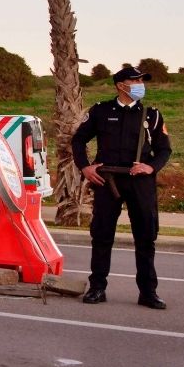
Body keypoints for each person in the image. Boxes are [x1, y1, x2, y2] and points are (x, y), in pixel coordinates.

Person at [72, 66, 172, 309]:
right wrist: (85, 167)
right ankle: (97, 288)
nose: (140, 84)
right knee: (102, 234)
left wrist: (151, 168)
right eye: (134, 80)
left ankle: (148, 292)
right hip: (107, 181)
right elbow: (78, 139)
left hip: (140, 183)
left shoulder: (152, 115)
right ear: (120, 85)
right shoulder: (101, 111)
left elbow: (164, 149)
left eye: (141, 80)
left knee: (146, 237)